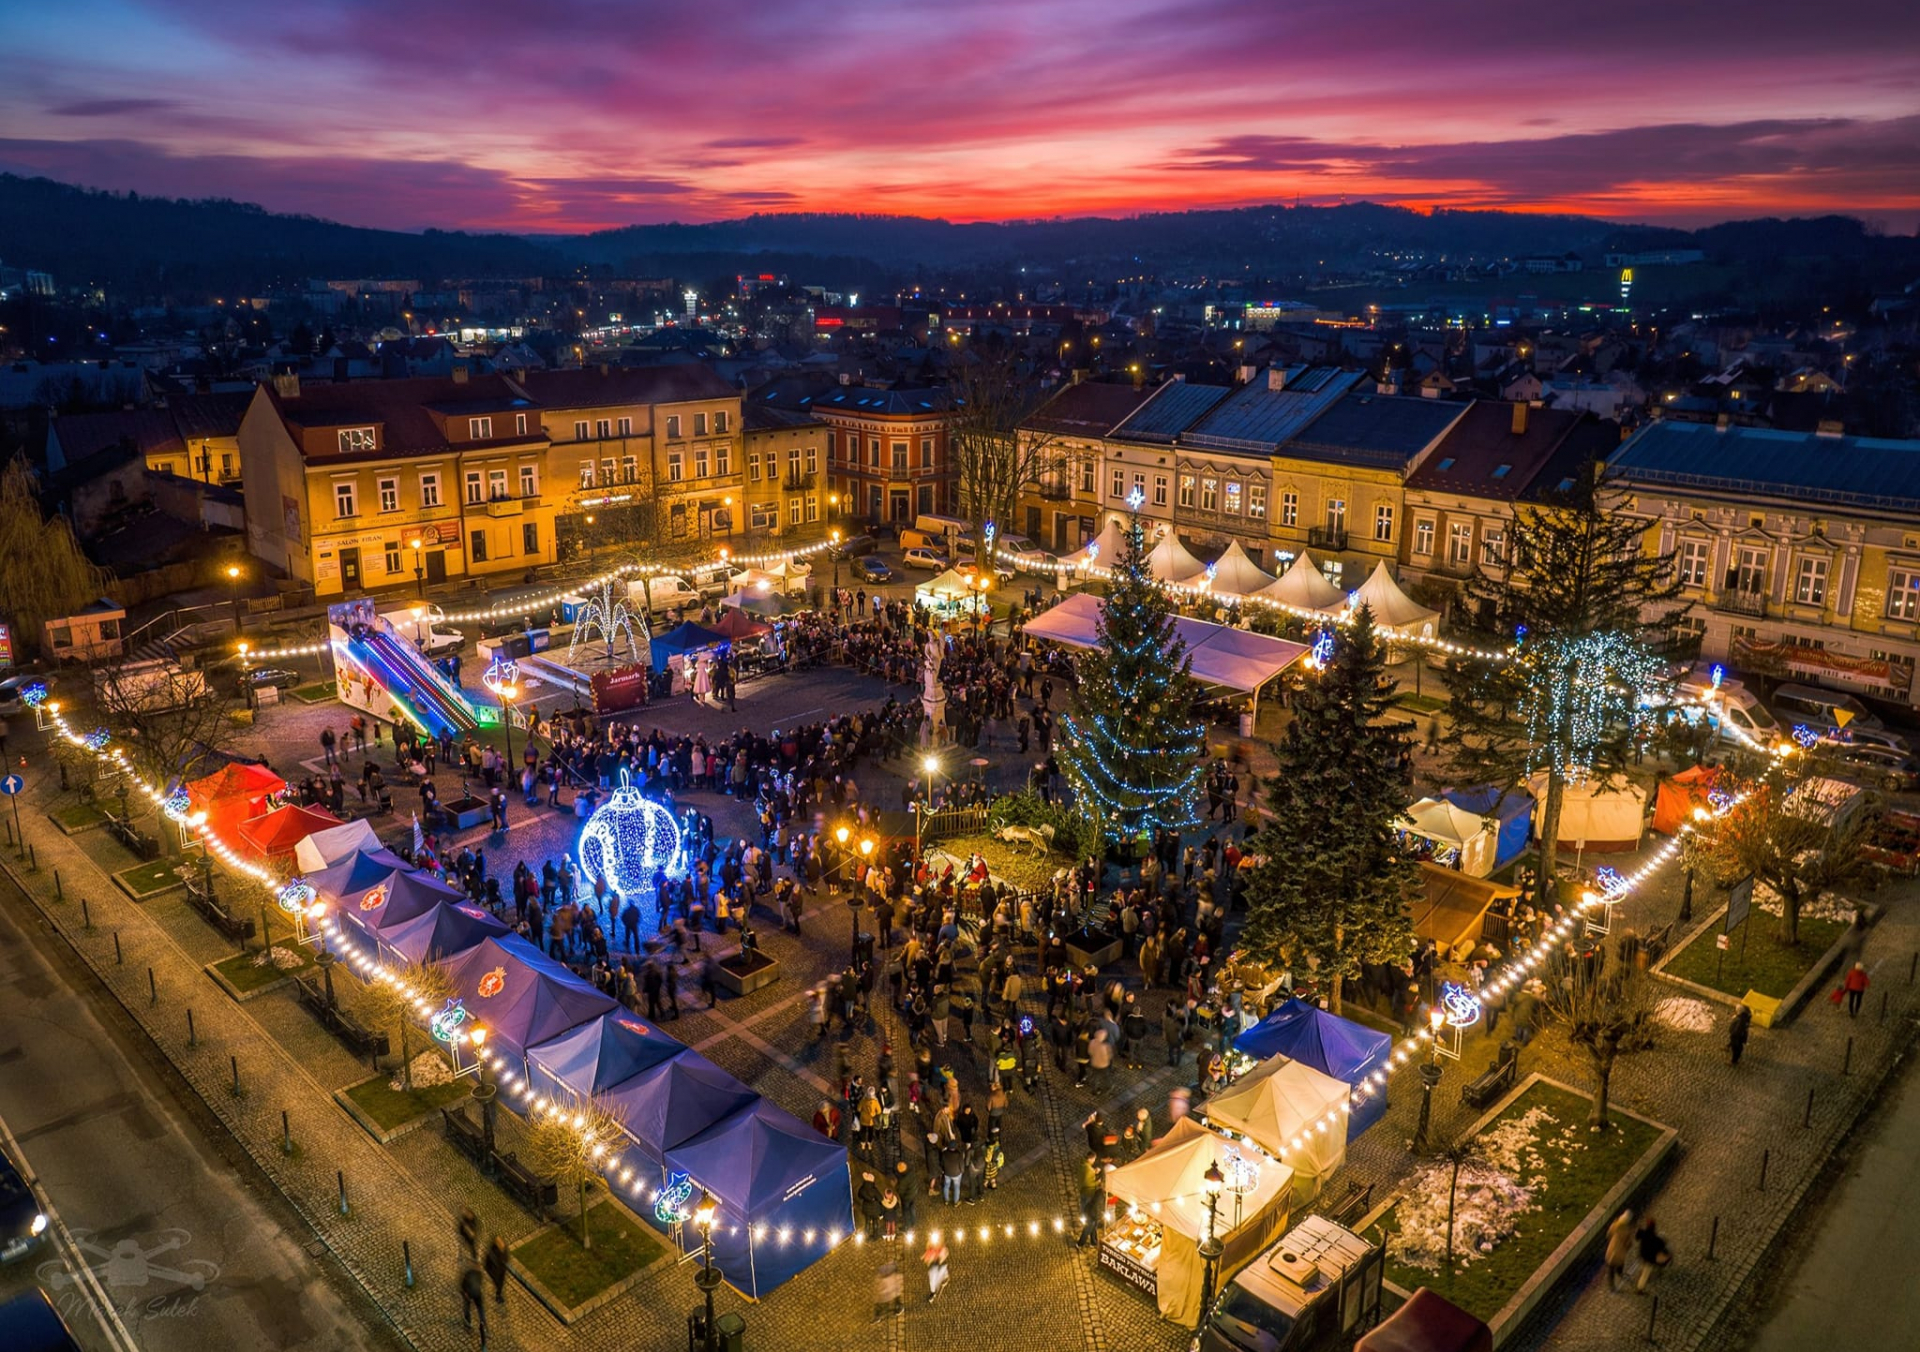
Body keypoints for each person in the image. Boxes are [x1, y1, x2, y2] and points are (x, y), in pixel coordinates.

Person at [1633, 1214, 1670, 1293]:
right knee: (1645, 1274)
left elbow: (1637, 1237)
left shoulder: (1643, 1233)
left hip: (1642, 1255)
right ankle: (1639, 1289)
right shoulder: (1655, 1239)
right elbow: (1662, 1245)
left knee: (1643, 1268)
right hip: (1649, 1258)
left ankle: (1640, 1277)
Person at [459, 1257, 489, 1345]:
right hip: (476, 1293)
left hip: (470, 1294)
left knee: (468, 1309)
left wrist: (465, 1293)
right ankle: (482, 1323)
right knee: (479, 1308)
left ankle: (468, 1325)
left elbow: (463, 1284)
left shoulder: (469, 1273)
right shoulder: (479, 1274)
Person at [1604, 1208, 1635, 1291]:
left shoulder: (1615, 1225)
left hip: (1612, 1250)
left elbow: (1608, 1235)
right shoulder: (1627, 1230)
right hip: (1621, 1252)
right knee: (1619, 1265)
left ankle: (1612, 1285)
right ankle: (1620, 1274)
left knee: (1611, 1269)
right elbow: (1628, 1243)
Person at [922, 1237, 950, 1303]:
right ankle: (933, 1293)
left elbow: (944, 1252)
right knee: (932, 1280)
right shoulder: (931, 1250)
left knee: (939, 1273)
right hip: (934, 1266)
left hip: (938, 1265)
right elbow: (927, 1256)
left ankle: (944, 1279)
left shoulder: (940, 1248)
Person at [483, 1236, 508, 1304]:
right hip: (496, 1271)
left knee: (500, 1283)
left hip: (500, 1270)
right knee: (499, 1284)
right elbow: (492, 1261)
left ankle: (498, 1294)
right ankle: (498, 1296)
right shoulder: (496, 1252)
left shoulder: (502, 1250)